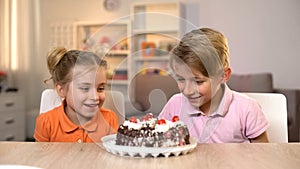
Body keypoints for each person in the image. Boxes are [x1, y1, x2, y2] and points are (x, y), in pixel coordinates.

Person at [158, 28, 269, 143]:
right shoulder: (175, 105)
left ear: (223, 76)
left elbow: (262, 156)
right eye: (181, 79)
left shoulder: (247, 109)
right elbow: (160, 144)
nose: (188, 91)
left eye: (198, 82)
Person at [34, 47, 118, 142]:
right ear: (61, 90)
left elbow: (112, 155)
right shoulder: (46, 122)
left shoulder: (109, 119)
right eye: (85, 88)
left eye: (100, 89)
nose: (95, 97)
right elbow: (41, 156)